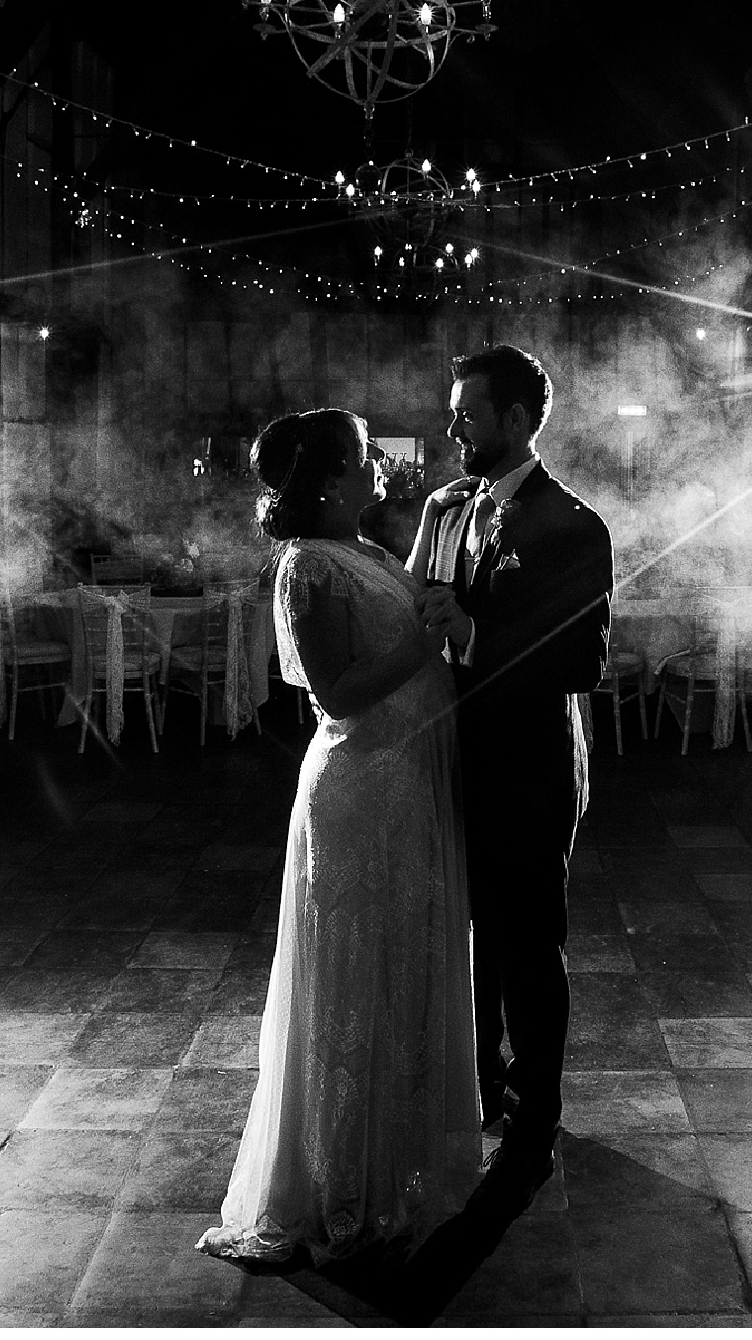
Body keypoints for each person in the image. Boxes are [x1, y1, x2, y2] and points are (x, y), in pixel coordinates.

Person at [198, 409, 482, 1264]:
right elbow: (339, 692)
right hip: (361, 788)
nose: (381, 471)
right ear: (327, 480)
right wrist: (429, 637)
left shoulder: (368, 551)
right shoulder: (308, 567)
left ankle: (396, 1163)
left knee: (402, 969)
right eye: (365, 459)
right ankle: (340, 1182)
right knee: (356, 975)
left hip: (407, 783)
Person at [409, 346, 613, 1194]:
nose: (453, 425)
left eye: (467, 413)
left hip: (529, 762)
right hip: (452, 751)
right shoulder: (449, 505)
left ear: (518, 422)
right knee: (473, 932)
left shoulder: (572, 525)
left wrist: (467, 631)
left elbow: (579, 661)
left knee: (529, 940)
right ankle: (481, 1083)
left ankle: (537, 1117)